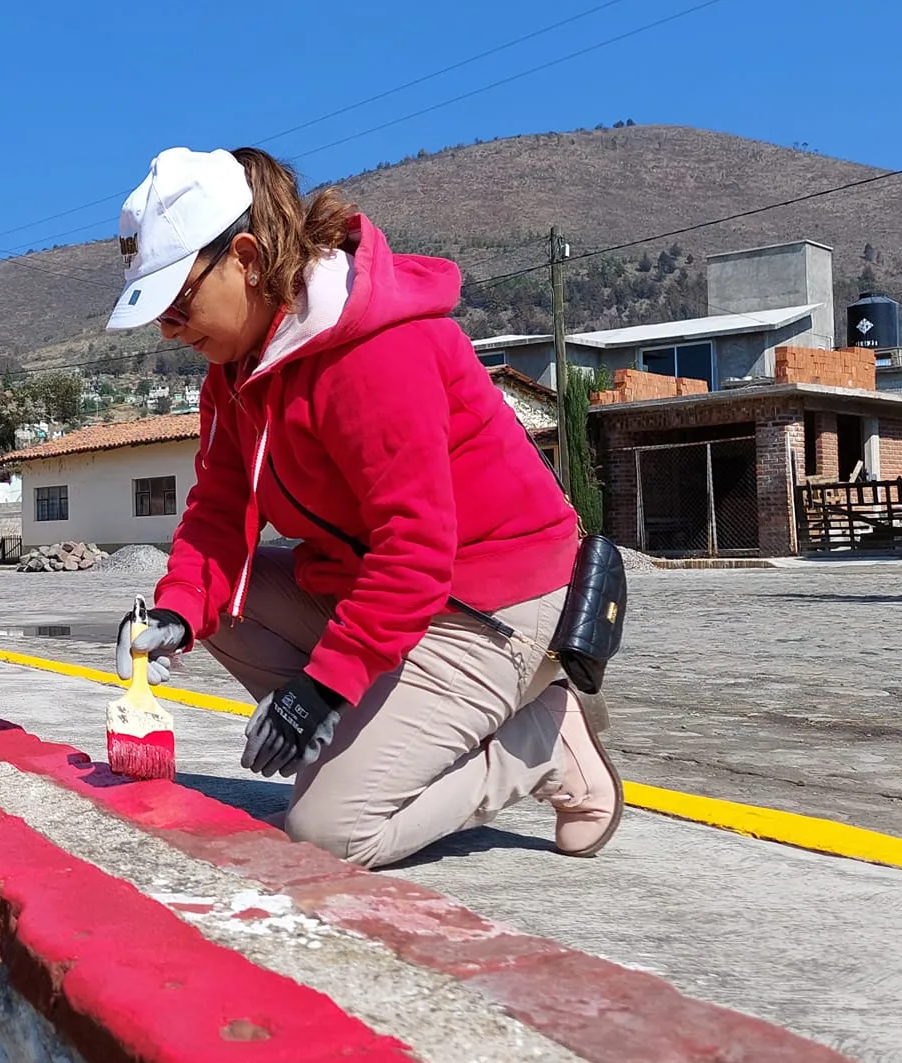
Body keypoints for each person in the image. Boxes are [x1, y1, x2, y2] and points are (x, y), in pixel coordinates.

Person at [105, 146, 622, 869]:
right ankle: (391, 735)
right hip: (394, 592)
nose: (169, 329)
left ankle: (540, 745)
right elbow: (220, 511)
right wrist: (179, 609)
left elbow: (414, 551)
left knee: (330, 831)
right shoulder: (234, 375)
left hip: (492, 602)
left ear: (246, 257)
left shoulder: (375, 352)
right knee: (224, 607)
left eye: (177, 303)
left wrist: (321, 689)